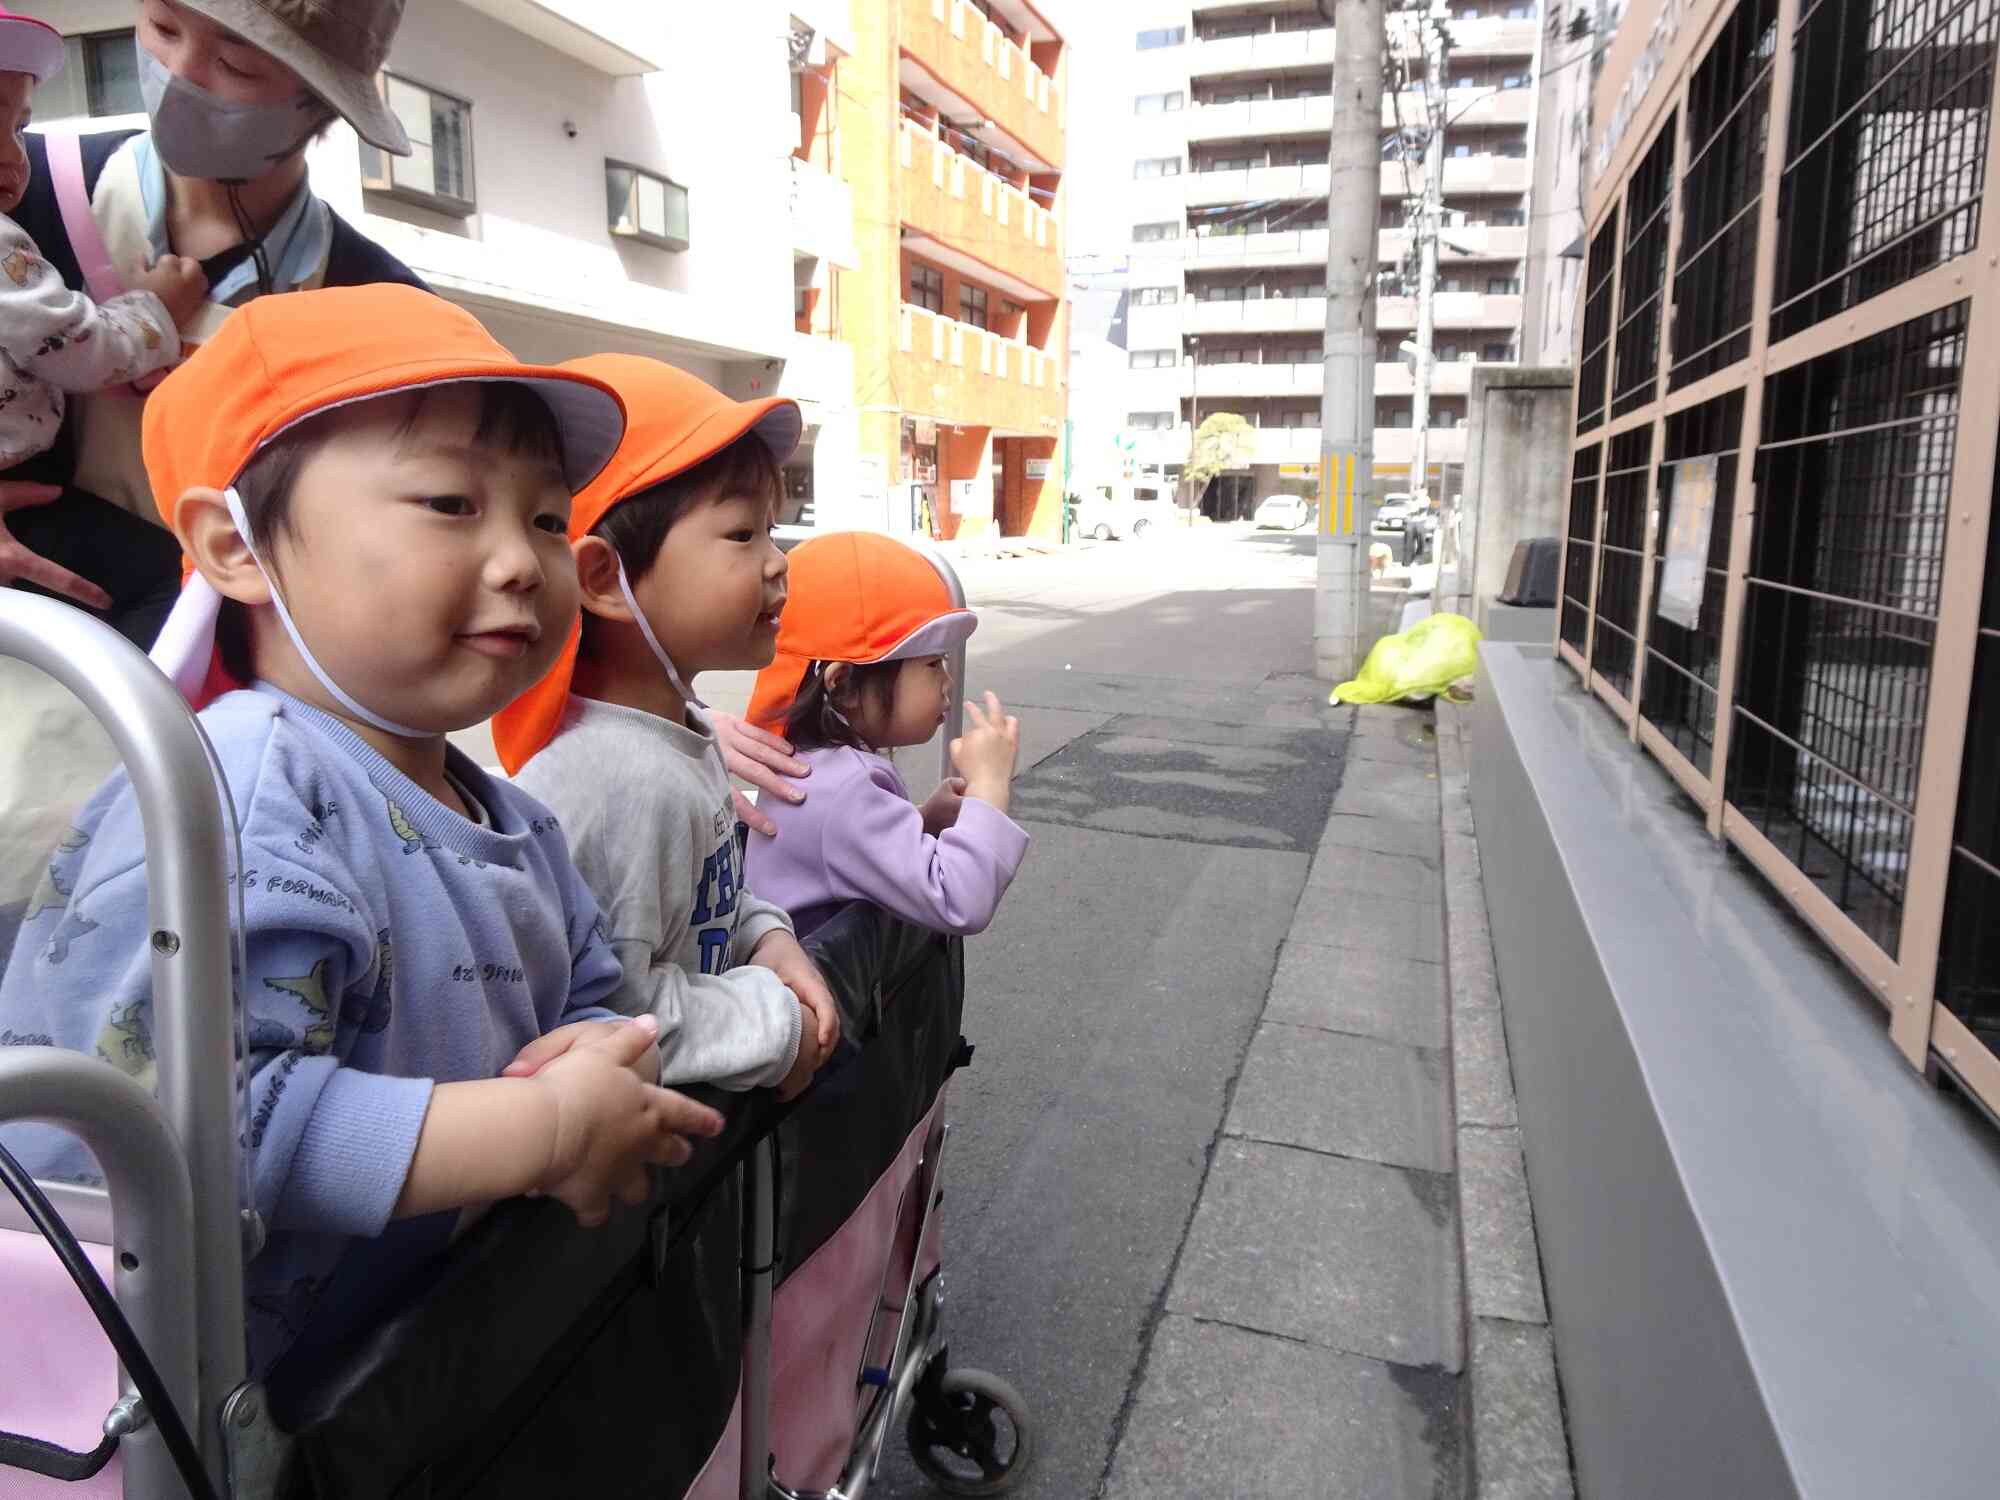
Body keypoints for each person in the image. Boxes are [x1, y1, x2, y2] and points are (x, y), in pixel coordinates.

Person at [0, 284, 722, 1383]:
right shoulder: (234, 800)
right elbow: (194, 1123)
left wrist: (602, 1060)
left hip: (393, 1389)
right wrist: (546, 1135)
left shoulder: (509, 817)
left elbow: (597, 1002)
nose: (526, 560)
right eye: (447, 501)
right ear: (234, 547)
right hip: (176, 1408)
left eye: (545, 516)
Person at [0, 0, 428, 961]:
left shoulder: (382, 308)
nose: (183, 72)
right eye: (161, 27)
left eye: (236, 59)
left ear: (320, 100)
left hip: (242, 812)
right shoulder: (25, 191)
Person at [494, 355, 840, 1101]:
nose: (779, 565)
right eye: (743, 533)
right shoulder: (617, 782)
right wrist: (774, 1028)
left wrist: (766, 937)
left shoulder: (673, 736)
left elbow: (701, 902)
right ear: (602, 580)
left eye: (772, 532)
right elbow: (613, 1014)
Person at [0, 5, 209, 631]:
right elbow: (77, 348)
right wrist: (155, 311)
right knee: (168, 588)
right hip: (24, 485)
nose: (11, 156)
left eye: (18, 126)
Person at [740, 531, 1029, 939]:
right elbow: (959, 897)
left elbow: (846, 852)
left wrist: (921, 822)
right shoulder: (842, 788)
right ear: (844, 686)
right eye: (932, 664)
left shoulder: (815, 770)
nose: (948, 682)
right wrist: (989, 785)